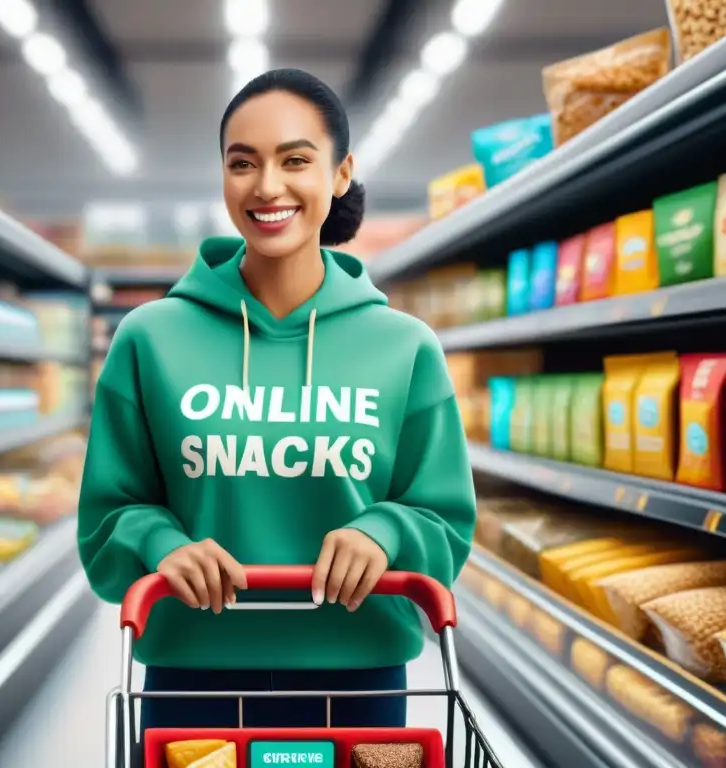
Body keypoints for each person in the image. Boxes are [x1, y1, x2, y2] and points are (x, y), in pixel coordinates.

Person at [78, 68, 476, 731]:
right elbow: (107, 517)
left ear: (340, 173)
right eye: (243, 163)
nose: (267, 186)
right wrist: (161, 542)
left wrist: (383, 531)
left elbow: (443, 523)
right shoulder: (149, 338)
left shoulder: (405, 348)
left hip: (359, 674)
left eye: (295, 160)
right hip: (189, 674)